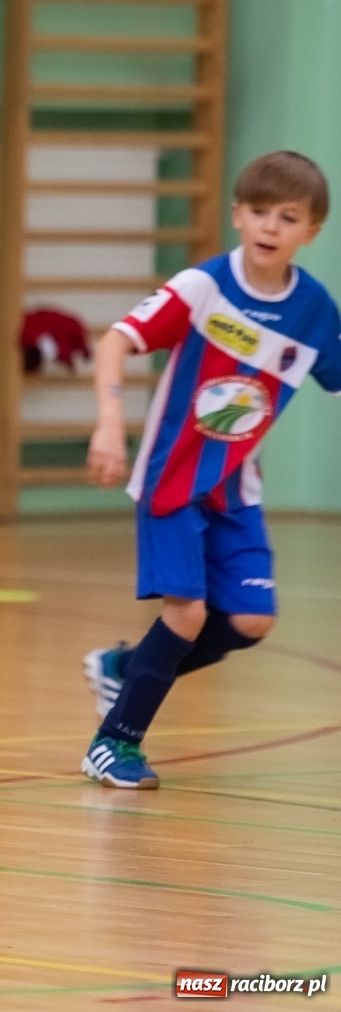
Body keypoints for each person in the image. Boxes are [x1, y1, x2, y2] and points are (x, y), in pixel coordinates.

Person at [81, 151, 341, 789]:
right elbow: (115, 341)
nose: (269, 227)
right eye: (258, 212)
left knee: (251, 621)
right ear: (236, 214)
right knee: (188, 612)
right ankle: (112, 744)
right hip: (172, 481)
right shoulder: (204, 288)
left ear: (311, 231)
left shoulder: (313, 311)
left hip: (236, 491)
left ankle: (123, 665)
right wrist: (110, 423)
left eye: (287, 217)